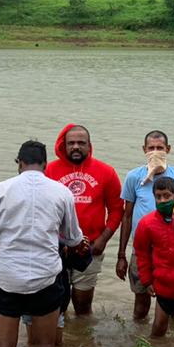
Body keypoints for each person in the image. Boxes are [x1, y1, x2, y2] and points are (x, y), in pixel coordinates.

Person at [0, 140, 88, 347]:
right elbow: (73, 237)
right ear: (45, 164)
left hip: (7, 277)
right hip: (46, 277)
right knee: (45, 344)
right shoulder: (62, 192)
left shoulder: (0, 190)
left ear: (19, 162)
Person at [45, 124, 121, 315]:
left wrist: (103, 240)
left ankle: (83, 343)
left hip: (90, 247)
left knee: (82, 305)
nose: (76, 147)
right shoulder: (49, 171)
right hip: (55, 249)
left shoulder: (107, 172)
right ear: (64, 145)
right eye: (71, 143)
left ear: (89, 145)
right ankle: (62, 342)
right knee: (55, 304)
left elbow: (117, 210)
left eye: (81, 143)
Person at [117, 130, 174, 322]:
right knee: (141, 304)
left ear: (168, 149)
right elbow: (127, 216)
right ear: (144, 150)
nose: (155, 152)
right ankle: (141, 341)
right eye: (151, 148)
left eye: (160, 148)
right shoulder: (134, 177)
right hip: (142, 250)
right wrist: (121, 255)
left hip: (171, 251)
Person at [132, 175, 174, 339]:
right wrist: (146, 281)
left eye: (167, 196)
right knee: (159, 327)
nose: (162, 200)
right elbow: (142, 253)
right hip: (163, 283)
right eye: (158, 197)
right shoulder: (147, 223)